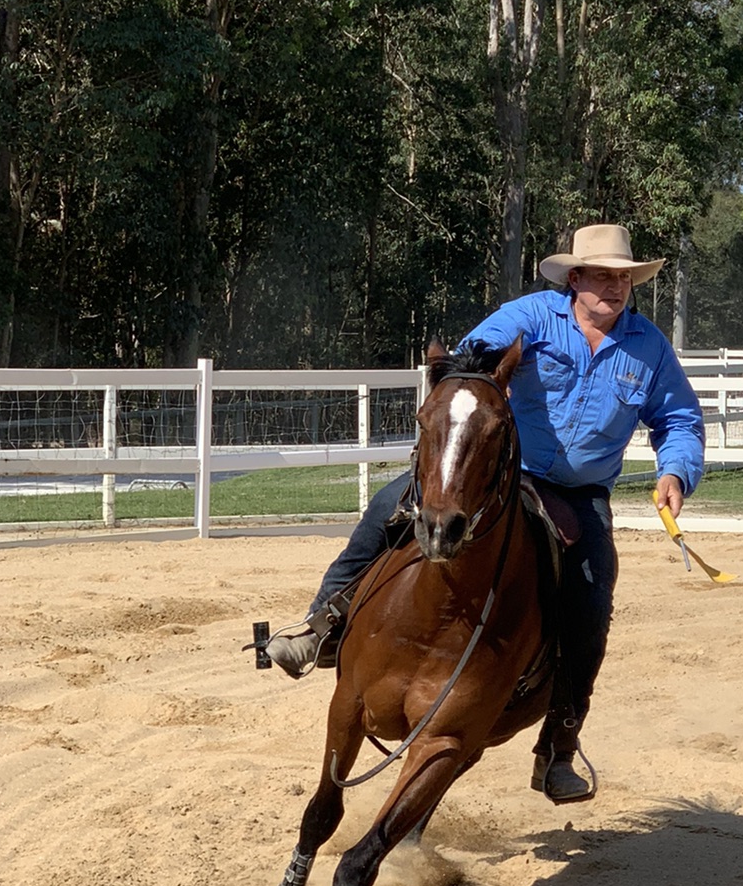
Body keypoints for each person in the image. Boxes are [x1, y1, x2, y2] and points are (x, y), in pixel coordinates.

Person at [267, 223, 706, 804]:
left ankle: (558, 744)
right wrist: (472, 372)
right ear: (574, 278)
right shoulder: (529, 317)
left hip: (577, 496)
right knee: (384, 507)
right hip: (494, 473)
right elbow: (465, 367)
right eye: (601, 274)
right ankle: (320, 624)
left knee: (592, 598)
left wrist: (676, 470)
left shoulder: (648, 348)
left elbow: (678, 419)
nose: (614, 286)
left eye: (623, 277)